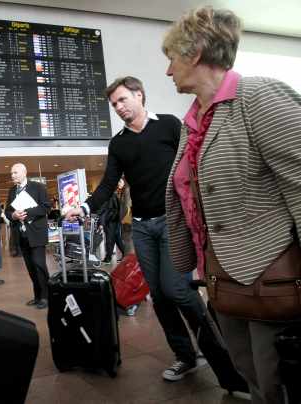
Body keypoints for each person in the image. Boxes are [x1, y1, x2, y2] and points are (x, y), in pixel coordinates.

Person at [162, 6, 301, 403]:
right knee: (248, 373)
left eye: (172, 59)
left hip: (270, 272)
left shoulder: (258, 96)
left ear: (195, 53)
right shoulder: (193, 121)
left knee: (279, 377)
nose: (169, 71)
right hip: (221, 275)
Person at [65, 76, 212, 381]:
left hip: (174, 221)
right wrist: (84, 208)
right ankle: (186, 356)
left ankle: (217, 349)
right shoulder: (118, 143)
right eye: (114, 104)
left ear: (140, 95)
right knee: (159, 297)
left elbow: (194, 160)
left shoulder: (169, 125)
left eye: (122, 100)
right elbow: (108, 184)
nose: (118, 107)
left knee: (178, 291)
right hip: (143, 228)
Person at [5, 163, 51, 309]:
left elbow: (46, 207)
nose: (12, 175)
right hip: (22, 235)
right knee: (31, 267)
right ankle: (37, 296)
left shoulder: (38, 187)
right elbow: (7, 211)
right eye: (11, 173)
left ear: (24, 173)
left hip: (36, 233)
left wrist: (26, 212)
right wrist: (13, 214)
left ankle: (46, 296)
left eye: (15, 173)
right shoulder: (12, 191)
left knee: (39, 265)